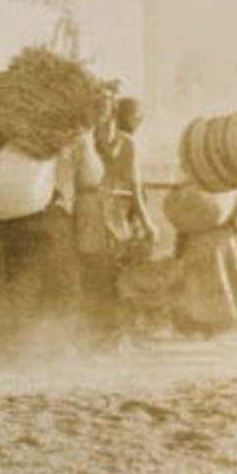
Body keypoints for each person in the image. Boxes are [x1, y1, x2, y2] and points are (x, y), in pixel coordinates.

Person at [78, 96, 158, 348]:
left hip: (117, 213)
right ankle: (97, 335)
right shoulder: (83, 141)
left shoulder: (127, 144)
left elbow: (135, 184)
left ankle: (118, 335)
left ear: (112, 114)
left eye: (104, 113)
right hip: (90, 214)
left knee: (118, 272)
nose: (100, 118)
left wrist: (147, 222)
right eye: (95, 112)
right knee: (93, 271)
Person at [164, 184, 237, 338]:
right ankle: (199, 321)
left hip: (216, 214)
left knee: (216, 269)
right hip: (207, 216)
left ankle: (212, 321)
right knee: (202, 275)